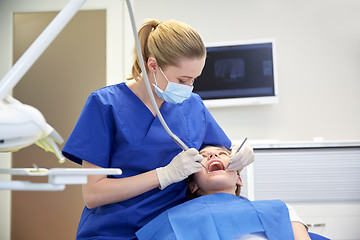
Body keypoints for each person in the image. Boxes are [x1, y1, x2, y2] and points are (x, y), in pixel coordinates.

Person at [62, 19, 254, 239]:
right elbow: (93, 194)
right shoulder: (105, 104)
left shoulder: (192, 105)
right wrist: (164, 175)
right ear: (152, 65)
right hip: (114, 232)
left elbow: (218, 153)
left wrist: (242, 152)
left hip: (175, 230)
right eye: (182, 79)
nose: (189, 88)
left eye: (193, 80)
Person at [136, 146, 311, 240]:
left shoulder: (280, 209)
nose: (213, 156)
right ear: (193, 185)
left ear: (239, 179)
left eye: (222, 153)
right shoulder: (171, 221)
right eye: (203, 156)